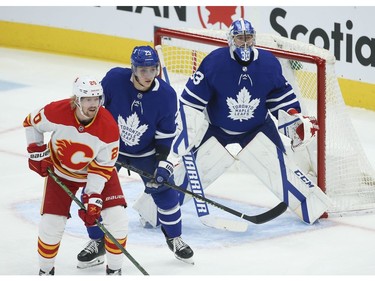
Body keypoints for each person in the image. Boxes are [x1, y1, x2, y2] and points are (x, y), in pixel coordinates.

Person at [172, 18, 319, 205]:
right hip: (216, 129)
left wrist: (293, 118)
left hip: (258, 128)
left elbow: (280, 97)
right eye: (240, 38)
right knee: (187, 172)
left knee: (284, 170)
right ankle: (161, 207)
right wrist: (187, 131)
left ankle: (310, 205)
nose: (245, 42)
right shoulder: (214, 62)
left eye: (248, 37)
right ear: (230, 39)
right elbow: (190, 102)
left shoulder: (268, 63)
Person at [76, 46, 194, 267]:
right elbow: (97, 112)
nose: (148, 76)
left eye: (152, 70)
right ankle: (96, 242)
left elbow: (165, 137)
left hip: (146, 153)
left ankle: (174, 237)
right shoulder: (113, 79)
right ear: (133, 69)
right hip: (111, 149)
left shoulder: (167, 96)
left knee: (165, 192)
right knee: (92, 191)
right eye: (142, 70)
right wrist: (94, 146)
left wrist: (162, 164)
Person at [23, 76, 128, 275]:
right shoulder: (57, 111)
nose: (93, 104)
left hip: (97, 172)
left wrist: (93, 196)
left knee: (117, 219)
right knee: (51, 224)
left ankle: (115, 271)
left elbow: (103, 167)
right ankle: (45, 271)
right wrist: (37, 153)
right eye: (88, 99)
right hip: (61, 172)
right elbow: (31, 122)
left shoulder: (109, 127)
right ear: (76, 100)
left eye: (97, 98)